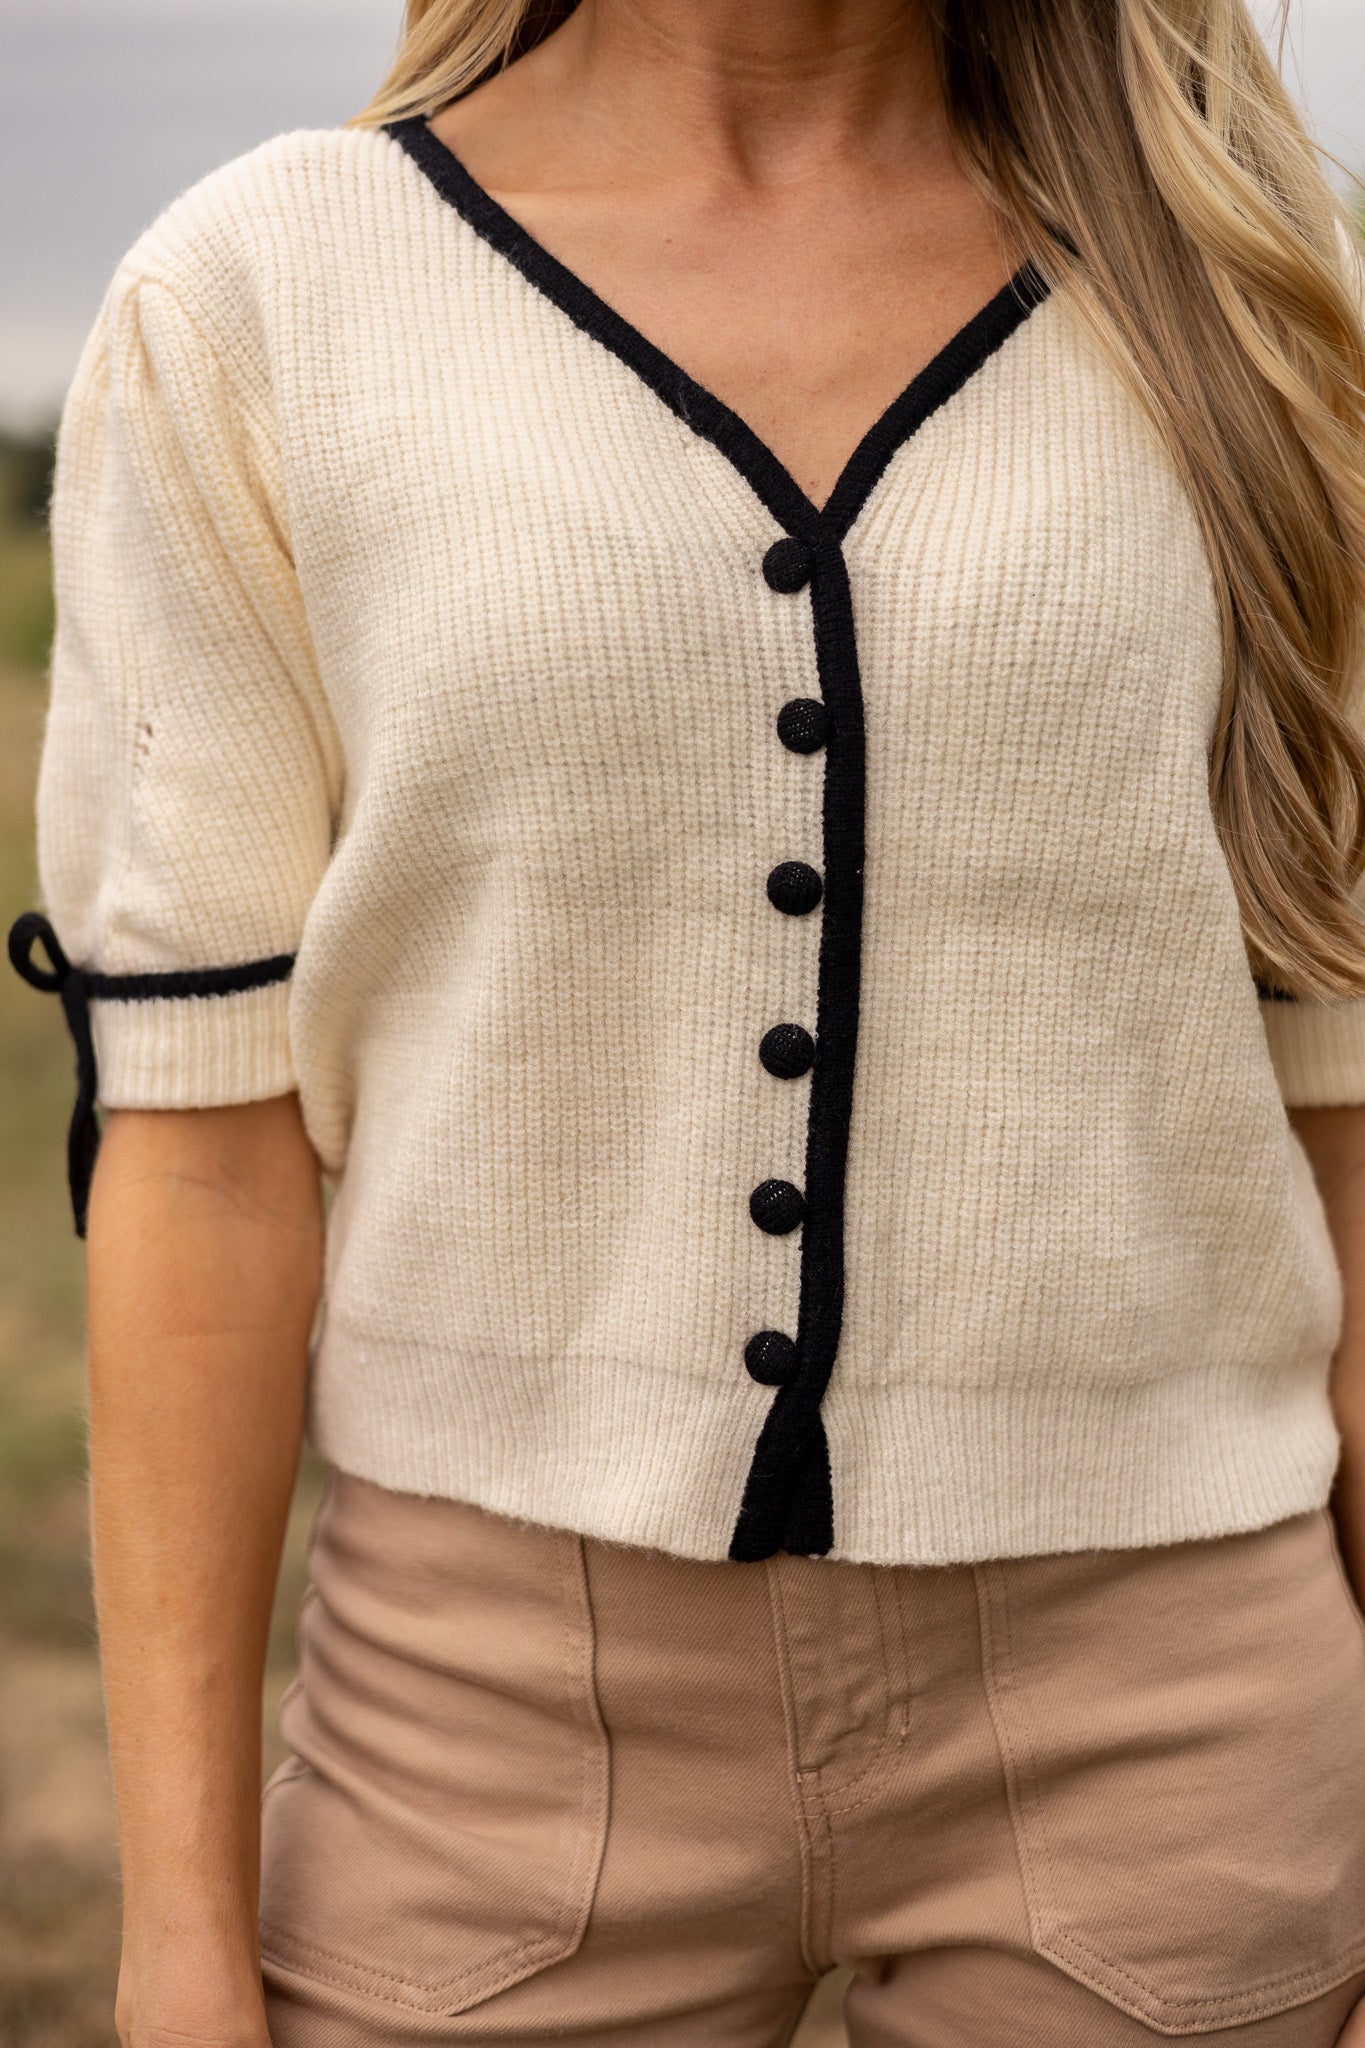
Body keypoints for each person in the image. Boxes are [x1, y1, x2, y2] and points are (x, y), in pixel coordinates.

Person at [11, 0, 1365, 2039]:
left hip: (1171, 1693)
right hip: (491, 1719)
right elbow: (197, 1155)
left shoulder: (1242, 303)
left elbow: (1340, 1107)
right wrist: (180, 1937)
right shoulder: (261, 297)